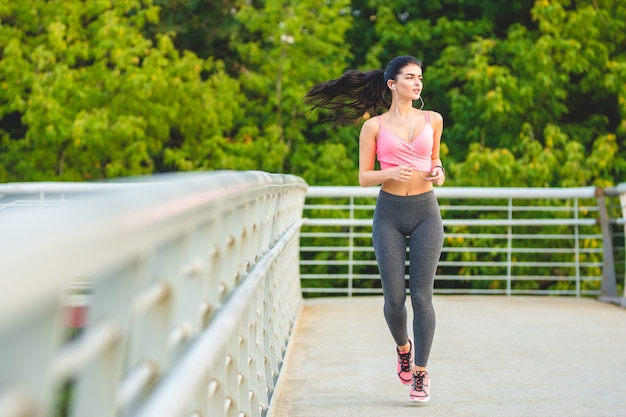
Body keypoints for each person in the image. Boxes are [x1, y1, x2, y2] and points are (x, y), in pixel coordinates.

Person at [305, 55, 445, 403]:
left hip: (426, 212)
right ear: (391, 84)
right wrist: (388, 173)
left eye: (420, 78)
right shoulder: (374, 127)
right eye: (410, 77)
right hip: (389, 215)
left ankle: (421, 375)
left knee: (422, 297)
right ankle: (403, 348)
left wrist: (439, 171)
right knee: (394, 298)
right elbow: (364, 177)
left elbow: (436, 160)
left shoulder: (433, 120)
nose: (417, 83)